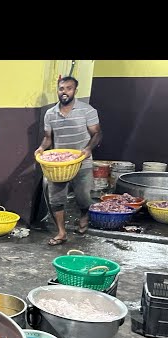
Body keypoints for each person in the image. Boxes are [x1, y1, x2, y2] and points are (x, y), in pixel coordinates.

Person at [34, 75, 103, 246]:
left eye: (68, 88)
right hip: (59, 164)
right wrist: (42, 148)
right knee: (56, 199)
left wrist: (88, 149)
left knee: (83, 197)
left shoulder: (87, 110)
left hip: (82, 161)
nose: (64, 92)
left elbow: (97, 134)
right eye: (61, 89)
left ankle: (84, 215)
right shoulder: (50, 114)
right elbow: (48, 138)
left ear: (75, 90)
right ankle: (61, 232)